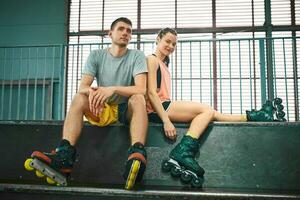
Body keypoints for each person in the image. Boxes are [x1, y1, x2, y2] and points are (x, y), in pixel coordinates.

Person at [145, 28, 286, 187]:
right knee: (207, 110)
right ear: (158, 39)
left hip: (164, 105)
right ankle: (182, 152)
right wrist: (166, 121)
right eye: (167, 41)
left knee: (213, 114)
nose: (171, 46)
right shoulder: (152, 59)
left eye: (174, 44)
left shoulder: (164, 65)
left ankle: (256, 116)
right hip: (157, 108)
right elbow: (150, 92)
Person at [24, 17, 148, 190]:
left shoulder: (137, 56)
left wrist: (112, 89)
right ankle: (64, 155)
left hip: (124, 109)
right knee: (79, 97)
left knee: (138, 98)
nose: (125, 33)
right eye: (121, 29)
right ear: (110, 33)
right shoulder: (96, 55)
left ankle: (137, 153)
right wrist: (94, 93)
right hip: (102, 108)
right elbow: (83, 86)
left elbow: (141, 89)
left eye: (129, 30)